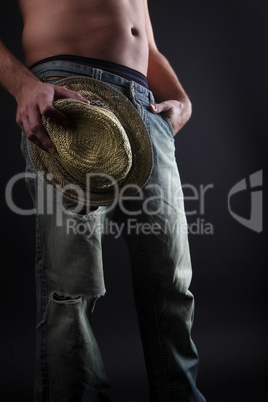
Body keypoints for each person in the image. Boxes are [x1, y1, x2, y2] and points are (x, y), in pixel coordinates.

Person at [0, 1, 206, 401]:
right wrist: (24, 85)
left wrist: (181, 99)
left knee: (172, 281)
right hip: (65, 96)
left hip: (144, 108)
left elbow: (144, 40)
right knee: (70, 287)